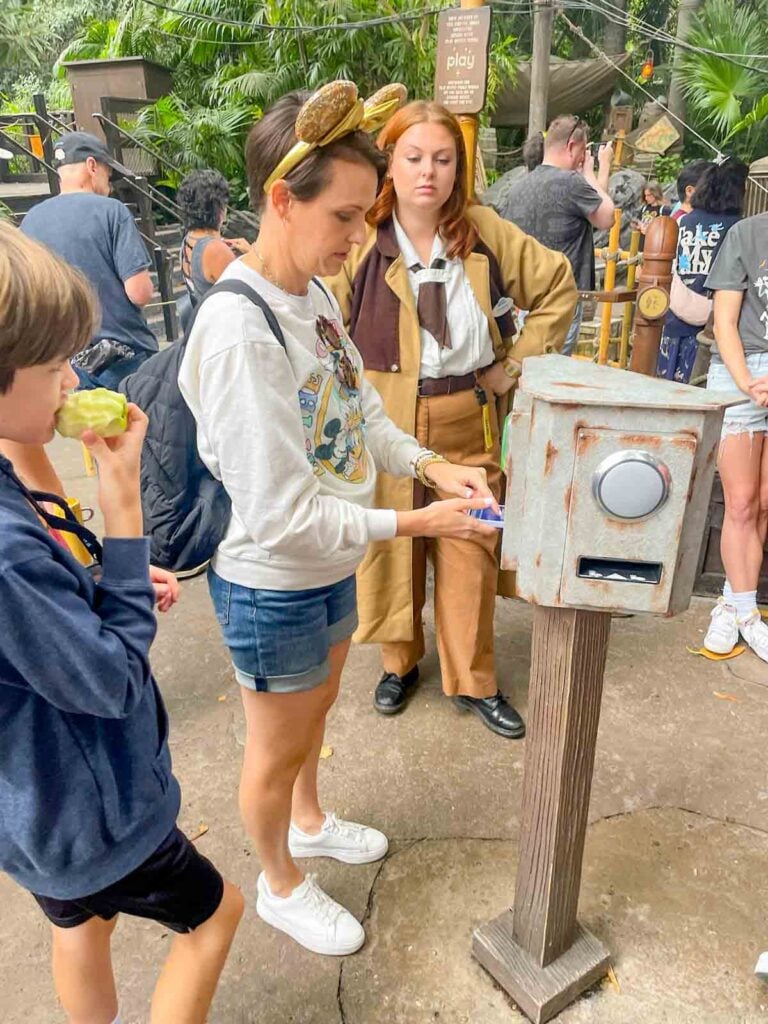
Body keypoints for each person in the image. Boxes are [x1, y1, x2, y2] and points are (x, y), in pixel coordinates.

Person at [178, 82, 501, 958]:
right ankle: (279, 882)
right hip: (273, 578)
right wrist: (421, 526)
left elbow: (360, 416)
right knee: (273, 748)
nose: (360, 237)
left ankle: (310, 823)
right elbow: (282, 517)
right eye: (347, 216)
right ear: (281, 200)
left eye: (367, 216)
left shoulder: (316, 299)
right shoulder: (241, 331)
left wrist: (433, 465)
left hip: (330, 564)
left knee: (316, 712)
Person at [0, 223, 243, 1023]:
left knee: (83, 921)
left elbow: (44, 625)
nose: (70, 380)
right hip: (93, 812)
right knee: (214, 920)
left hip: (34, 815)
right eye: (50, 367)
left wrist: (114, 578)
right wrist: (127, 511)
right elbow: (108, 678)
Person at [327, 99, 577, 735]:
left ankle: (472, 678)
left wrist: (511, 365)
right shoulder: (361, 240)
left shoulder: (482, 231)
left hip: (465, 414)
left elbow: (557, 288)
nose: (427, 173)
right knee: (390, 545)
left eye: (442, 159)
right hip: (385, 422)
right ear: (389, 162)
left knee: (470, 544)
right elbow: (322, 319)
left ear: (458, 168)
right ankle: (398, 661)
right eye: (413, 158)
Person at [20, 131, 158, 390]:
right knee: (141, 427)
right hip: (124, 357)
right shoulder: (111, 211)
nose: (110, 184)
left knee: (91, 430)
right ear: (92, 166)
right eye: (108, 174)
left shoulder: (31, 221)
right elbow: (139, 292)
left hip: (67, 361)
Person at [701, 210, 768, 662]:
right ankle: (746, 615)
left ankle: (734, 601)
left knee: (764, 502)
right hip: (740, 372)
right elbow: (724, 321)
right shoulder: (747, 234)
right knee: (740, 501)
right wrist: (748, 382)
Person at [493, 114, 615, 354]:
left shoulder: (518, 186)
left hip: (527, 295)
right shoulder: (571, 182)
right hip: (562, 295)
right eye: (583, 150)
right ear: (571, 147)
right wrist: (595, 169)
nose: (583, 157)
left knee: (527, 361)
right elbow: (606, 217)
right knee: (552, 365)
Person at [657, 159, 747, 383]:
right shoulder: (738, 227)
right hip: (713, 325)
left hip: (675, 316)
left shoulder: (684, 221)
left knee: (669, 385)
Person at [176, 169, 251, 331]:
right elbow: (250, 292)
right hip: (225, 331)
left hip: (206, 327)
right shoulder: (215, 249)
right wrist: (251, 254)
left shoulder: (188, 240)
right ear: (219, 208)